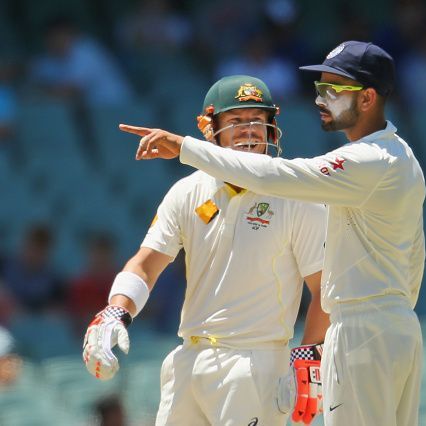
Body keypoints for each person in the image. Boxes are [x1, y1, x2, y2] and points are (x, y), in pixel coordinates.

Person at [122, 41, 426, 426]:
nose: (321, 99)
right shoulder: (400, 157)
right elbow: (416, 256)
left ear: (367, 98)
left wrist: (183, 146)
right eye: (319, 89)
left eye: (333, 90)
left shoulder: (369, 160)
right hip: (389, 322)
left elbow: (273, 175)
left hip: (361, 328)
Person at [83, 75, 329, 426]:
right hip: (189, 360)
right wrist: (115, 311)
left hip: (254, 363)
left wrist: (310, 353)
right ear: (207, 127)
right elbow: (146, 264)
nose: (250, 131)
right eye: (237, 121)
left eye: (258, 121)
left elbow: (324, 287)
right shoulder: (187, 192)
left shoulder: (294, 194)